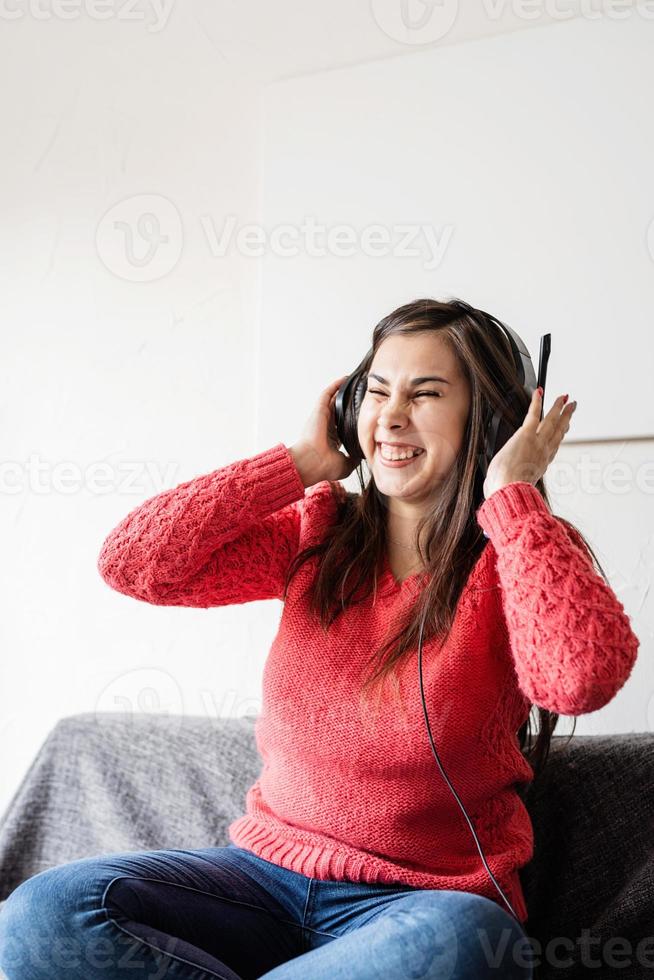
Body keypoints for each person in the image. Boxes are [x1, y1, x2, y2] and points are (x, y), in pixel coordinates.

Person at [0, 298, 639, 979]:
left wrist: (514, 496)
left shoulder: (518, 554)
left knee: (467, 938)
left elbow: (580, 677)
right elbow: (135, 565)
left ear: (490, 424)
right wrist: (299, 461)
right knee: (45, 915)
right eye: (377, 392)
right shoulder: (320, 534)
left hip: (423, 911)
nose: (391, 416)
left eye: (425, 395)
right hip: (262, 883)